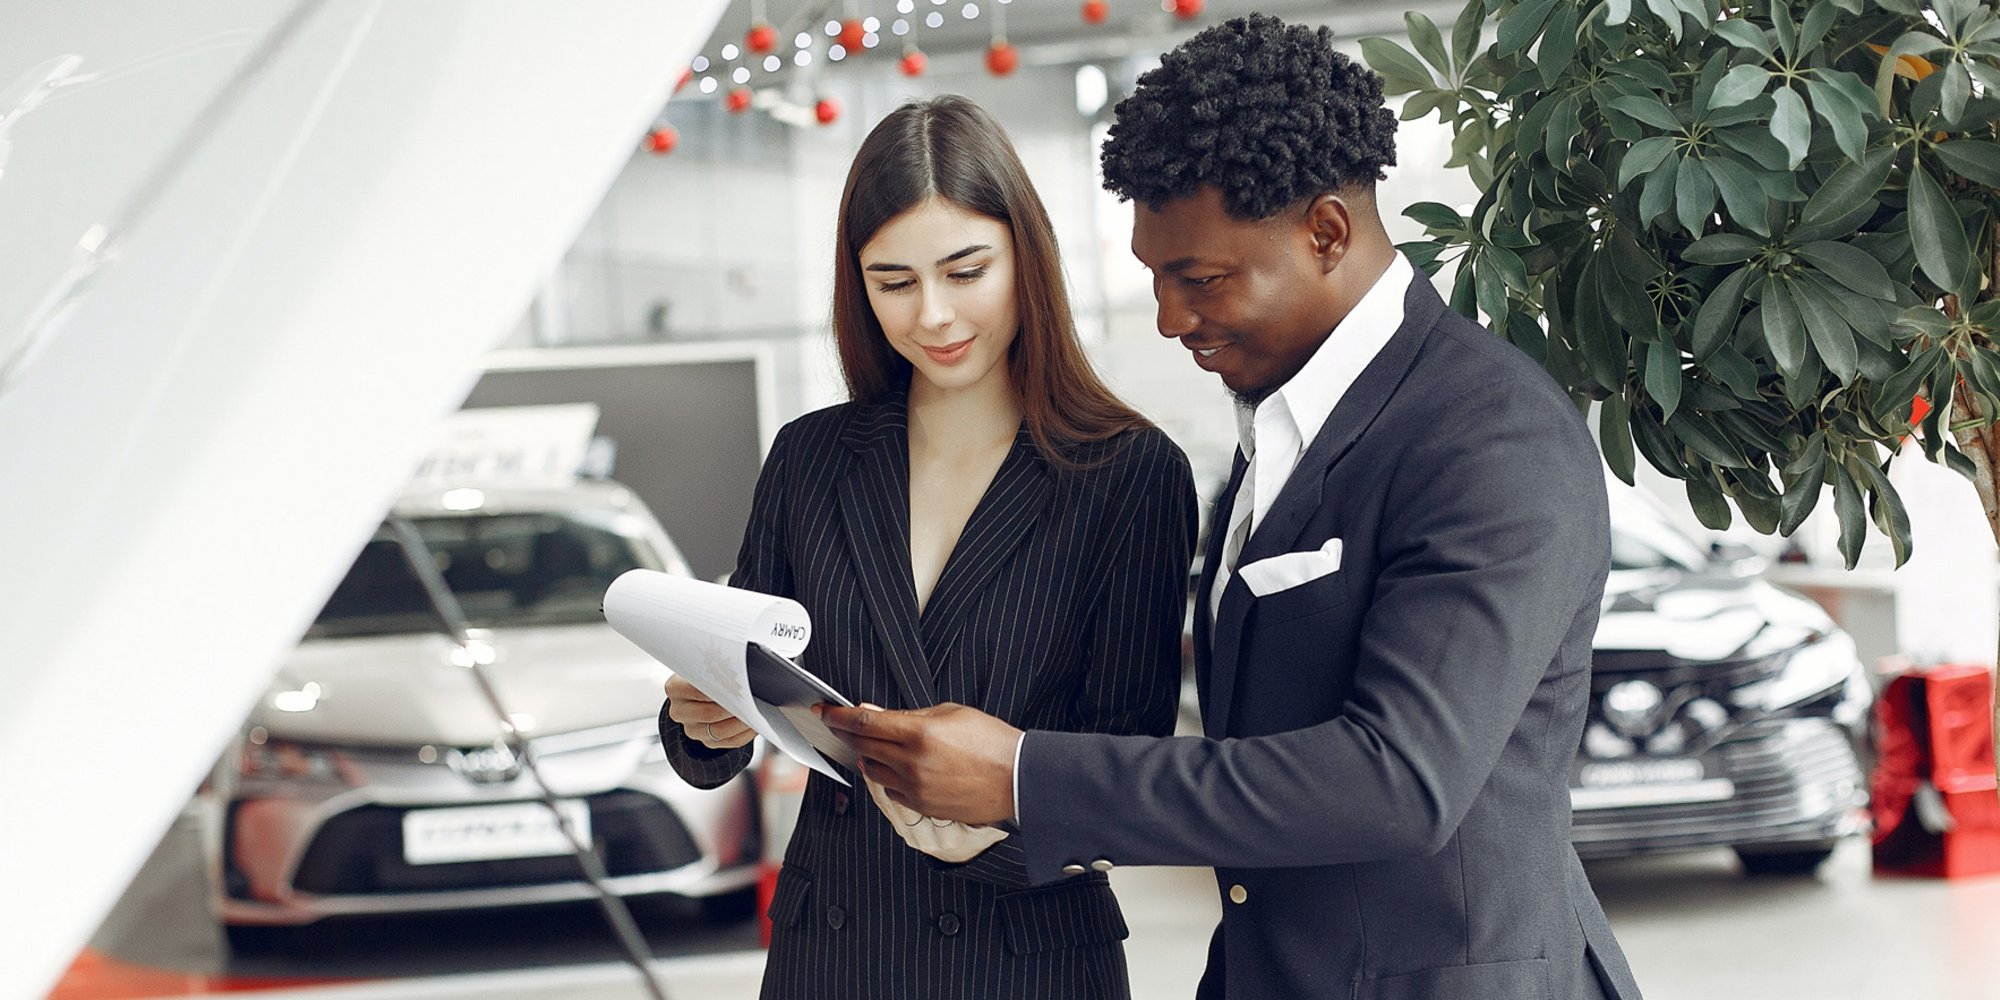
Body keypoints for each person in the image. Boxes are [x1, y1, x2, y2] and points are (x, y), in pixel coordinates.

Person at [822, 15, 1645, 1000]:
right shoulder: (1274, 429)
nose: (1169, 318)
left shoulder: (1487, 434)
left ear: (1326, 233)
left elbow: (1398, 782)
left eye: (1199, 279)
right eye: (1155, 278)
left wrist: (1025, 776)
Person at [659, 94, 1196, 1000]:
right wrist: (700, 724)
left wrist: (984, 826)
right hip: (834, 951)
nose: (934, 316)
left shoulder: (1128, 473)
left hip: (1025, 959)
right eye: (894, 283)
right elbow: (743, 689)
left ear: (1026, 253)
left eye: (965, 270)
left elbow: (1125, 772)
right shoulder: (811, 456)